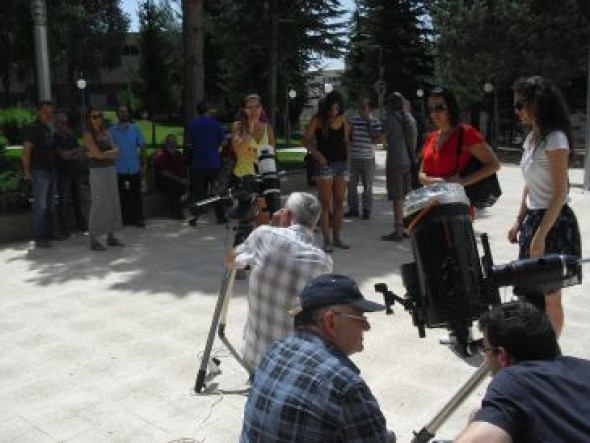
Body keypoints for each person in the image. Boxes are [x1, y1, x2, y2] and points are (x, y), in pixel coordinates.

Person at [240, 273, 396, 442]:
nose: (367, 327)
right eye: (361, 319)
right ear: (330, 321)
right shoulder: (345, 387)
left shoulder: (274, 351)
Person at [225, 192, 333, 371]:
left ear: (287, 214)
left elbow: (230, 260)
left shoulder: (263, 234)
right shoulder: (323, 261)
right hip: (289, 366)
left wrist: (270, 227)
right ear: (314, 223)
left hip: (254, 356)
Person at [507, 76, 581, 337]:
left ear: (537, 104)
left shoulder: (556, 139)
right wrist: (519, 219)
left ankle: (551, 354)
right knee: (529, 292)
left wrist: (541, 235)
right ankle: (537, 348)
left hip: (555, 222)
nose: (516, 111)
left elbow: (561, 192)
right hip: (534, 220)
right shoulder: (532, 139)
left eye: (520, 105)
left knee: (551, 296)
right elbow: (529, 184)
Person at [455, 301, 590, 442]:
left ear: (502, 355)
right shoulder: (584, 367)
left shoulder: (513, 379)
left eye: (486, 349)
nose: (486, 358)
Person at [419, 86, 500, 192]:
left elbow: (494, 165)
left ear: (450, 108)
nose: (434, 113)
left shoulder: (466, 133)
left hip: (456, 205)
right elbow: (421, 173)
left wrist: (462, 182)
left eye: (439, 108)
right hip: (431, 205)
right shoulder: (431, 137)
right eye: (431, 109)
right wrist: (431, 180)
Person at [303, 90, 351, 252]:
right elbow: (306, 140)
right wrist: (317, 154)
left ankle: (337, 238)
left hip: (341, 164)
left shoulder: (343, 118)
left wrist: (348, 160)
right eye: (332, 109)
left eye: (337, 109)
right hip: (325, 165)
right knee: (324, 203)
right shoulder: (318, 119)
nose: (334, 112)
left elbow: (346, 141)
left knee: (339, 202)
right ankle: (327, 240)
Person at [231, 94, 277, 225]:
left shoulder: (267, 128)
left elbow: (271, 154)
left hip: (263, 178)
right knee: (245, 223)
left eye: (257, 107)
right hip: (243, 178)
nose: (254, 111)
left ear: (261, 108)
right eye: (249, 107)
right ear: (244, 110)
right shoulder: (238, 126)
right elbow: (238, 150)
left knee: (263, 220)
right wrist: (249, 129)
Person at [83, 107, 124, 251]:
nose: (97, 118)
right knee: (99, 202)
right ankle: (94, 239)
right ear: (89, 118)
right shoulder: (88, 134)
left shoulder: (106, 132)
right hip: (97, 171)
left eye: (99, 115)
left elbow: (117, 151)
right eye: (94, 116)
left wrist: (102, 154)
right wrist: (108, 153)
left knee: (113, 200)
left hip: (110, 169)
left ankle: (111, 236)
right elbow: (97, 155)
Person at [22, 101, 61, 248]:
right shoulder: (33, 129)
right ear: (39, 112)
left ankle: (50, 234)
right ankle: (40, 237)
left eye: (51, 112)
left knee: (50, 205)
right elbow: (26, 152)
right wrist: (26, 171)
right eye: (46, 112)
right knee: (41, 206)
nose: (49, 115)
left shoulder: (47, 128)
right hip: (39, 172)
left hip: (51, 171)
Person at [380, 92, 417, 241]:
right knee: (407, 196)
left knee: (397, 197)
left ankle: (398, 230)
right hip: (409, 162)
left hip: (395, 162)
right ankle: (409, 228)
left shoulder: (390, 119)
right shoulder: (410, 118)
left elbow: (380, 138)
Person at [187, 100, 228, 225]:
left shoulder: (193, 125)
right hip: (213, 162)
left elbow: (190, 144)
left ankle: (195, 216)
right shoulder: (215, 124)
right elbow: (224, 141)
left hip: (198, 162)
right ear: (207, 110)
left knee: (198, 192)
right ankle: (220, 216)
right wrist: (218, 148)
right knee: (217, 191)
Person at [108, 104, 146, 227]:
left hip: (134, 167)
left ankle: (138, 218)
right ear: (117, 114)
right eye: (121, 112)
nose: (124, 114)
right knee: (122, 195)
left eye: (126, 112)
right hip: (120, 169)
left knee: (136, 195)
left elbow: (142, 147)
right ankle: (123, 219)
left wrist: (143, 164)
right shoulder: (111, 131)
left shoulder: (135, 129)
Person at [345, 97, 382, 220]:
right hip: (354, 158)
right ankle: (353, 209)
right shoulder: (353, 121)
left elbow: (375, 139)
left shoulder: (375, 121)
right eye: (360, 107)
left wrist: (368, 123)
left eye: (364, 108)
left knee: (367, 186)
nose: (361, 110)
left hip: (368, 159)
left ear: (369, 109)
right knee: (351, 186)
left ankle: (367, 210)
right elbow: (348, 138)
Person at [54, 112, 87, 236]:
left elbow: (81, 154)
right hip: (63, 175)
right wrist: (74, 152)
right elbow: (63, 155)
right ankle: (63, 229)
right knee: (63, 202)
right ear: (56, 124)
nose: (64, 125)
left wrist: (71, 153)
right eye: (62, 123)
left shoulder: (72, 137)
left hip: (75, 173)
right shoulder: (55, 138)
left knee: (78, 201)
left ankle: (81, 225)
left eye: (66, 122)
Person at [153, 134, 188, 220]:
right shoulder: (161, 154)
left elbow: (182, 168)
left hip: (175, 179)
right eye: (169, 142)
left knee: (182, 185)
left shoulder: (178, 154)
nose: (172, 144)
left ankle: (183, 208)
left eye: (174, 142)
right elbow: (164, 172)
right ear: (166, 143)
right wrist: (180, 180)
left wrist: (184, 178)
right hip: (162, 180)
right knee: (175, 186)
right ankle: (175, 212)